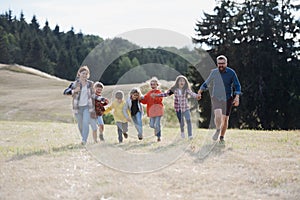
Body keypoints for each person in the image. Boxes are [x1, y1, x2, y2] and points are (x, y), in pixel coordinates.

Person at [198, 55, 242, 144]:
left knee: (225, 119)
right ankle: (218, 129)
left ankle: (222, 137)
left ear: (226, 63)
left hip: (227, 98)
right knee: (218, 116)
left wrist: (237, 97)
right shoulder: (214, 72)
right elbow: (207, 82)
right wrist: (200, 91)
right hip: (216, 97)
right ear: (217, 64)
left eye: (223, 63)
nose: (221, 65)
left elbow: (237, 85)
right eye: (219, 64)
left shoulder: (231, 73)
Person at [154, 75, 200, 140]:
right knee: (182, 123)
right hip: (178, 109)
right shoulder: (174, 89)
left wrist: (197, 96)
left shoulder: (186, 89)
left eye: (183, 81)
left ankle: (190, 135)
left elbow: (192, 93)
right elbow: (166, 94)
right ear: (177, 82)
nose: (182, 82)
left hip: (185, 108)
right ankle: (182, 132)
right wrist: (157, 95)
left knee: (188, 120)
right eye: (180, 81)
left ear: (185, 83)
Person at [68, 66, 95, 145]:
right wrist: (74, 91)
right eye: (83, 73)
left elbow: (93, 96)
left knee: (85, 122)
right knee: (80, 124)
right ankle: (84, 137)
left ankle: (84, 140)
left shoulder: (90, 84)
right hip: (77, 107)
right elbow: (66, 91)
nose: (85, 75)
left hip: (87, 107)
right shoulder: (74, 84)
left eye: (86, 74)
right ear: (79, 73)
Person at [140, 77, 164, 142]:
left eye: (154, 84)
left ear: (157, 85)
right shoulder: (149, 93)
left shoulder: (159, 92)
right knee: (151, 125)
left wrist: (155, 97)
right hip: (151, 112)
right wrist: (140, 99)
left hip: (158, 111)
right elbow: (145, 101)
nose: (153, 86)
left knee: (157, 124)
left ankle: (158, 137)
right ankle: (157, 129)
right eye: (151, 84)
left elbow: (160, 100)